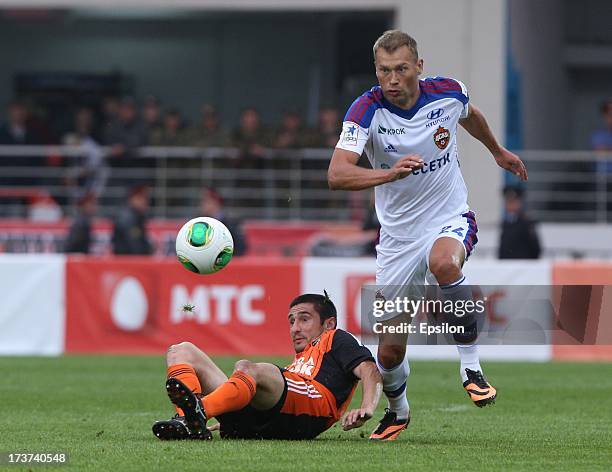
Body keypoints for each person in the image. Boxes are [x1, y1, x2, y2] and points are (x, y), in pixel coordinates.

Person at [328, 30, 528, 441]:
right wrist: (389, 172)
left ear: (419, 66)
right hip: (398, 238)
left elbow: (470, 115)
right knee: (389, 350)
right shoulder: (365, 110)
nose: (392, 79)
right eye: (384, 71)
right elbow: (337, 174)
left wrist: (497, 151)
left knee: (444, 263)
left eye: (401, 69)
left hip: (448, 216)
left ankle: (470, 365)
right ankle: (398, 412)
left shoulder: (449, 93)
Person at [152, 293, 382, 440]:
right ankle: (188, 421)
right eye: (291, 321)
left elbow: (369, 370)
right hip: (271, 417)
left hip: (309, 414)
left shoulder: (335, 338)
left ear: (329, 323)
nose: (295, 328)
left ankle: (199, 412)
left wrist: (367, 407)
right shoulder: (298, 363)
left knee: (249, 368)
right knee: (181, 350)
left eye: (304, 319)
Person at [200, 188, 247, 256]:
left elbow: (240, 248)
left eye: (205, 201)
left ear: (215, 202)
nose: (202, 204)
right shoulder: (200, 222)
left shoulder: (231, 222)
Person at [498, 186, 540, 259]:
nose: (510, 205)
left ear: (519, 203)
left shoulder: (526, 223)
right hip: (506, 266)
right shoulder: (505, 223)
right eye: (508, 202)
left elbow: (535, 249)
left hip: (523, 266)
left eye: (513, 202)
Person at [111, 185, 153, 255]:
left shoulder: (137, 216)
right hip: (127, 262)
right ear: (132, 198)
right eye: (141, 198)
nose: (145, 202)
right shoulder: (127, 218)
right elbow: (135, 247)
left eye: (146, 199)